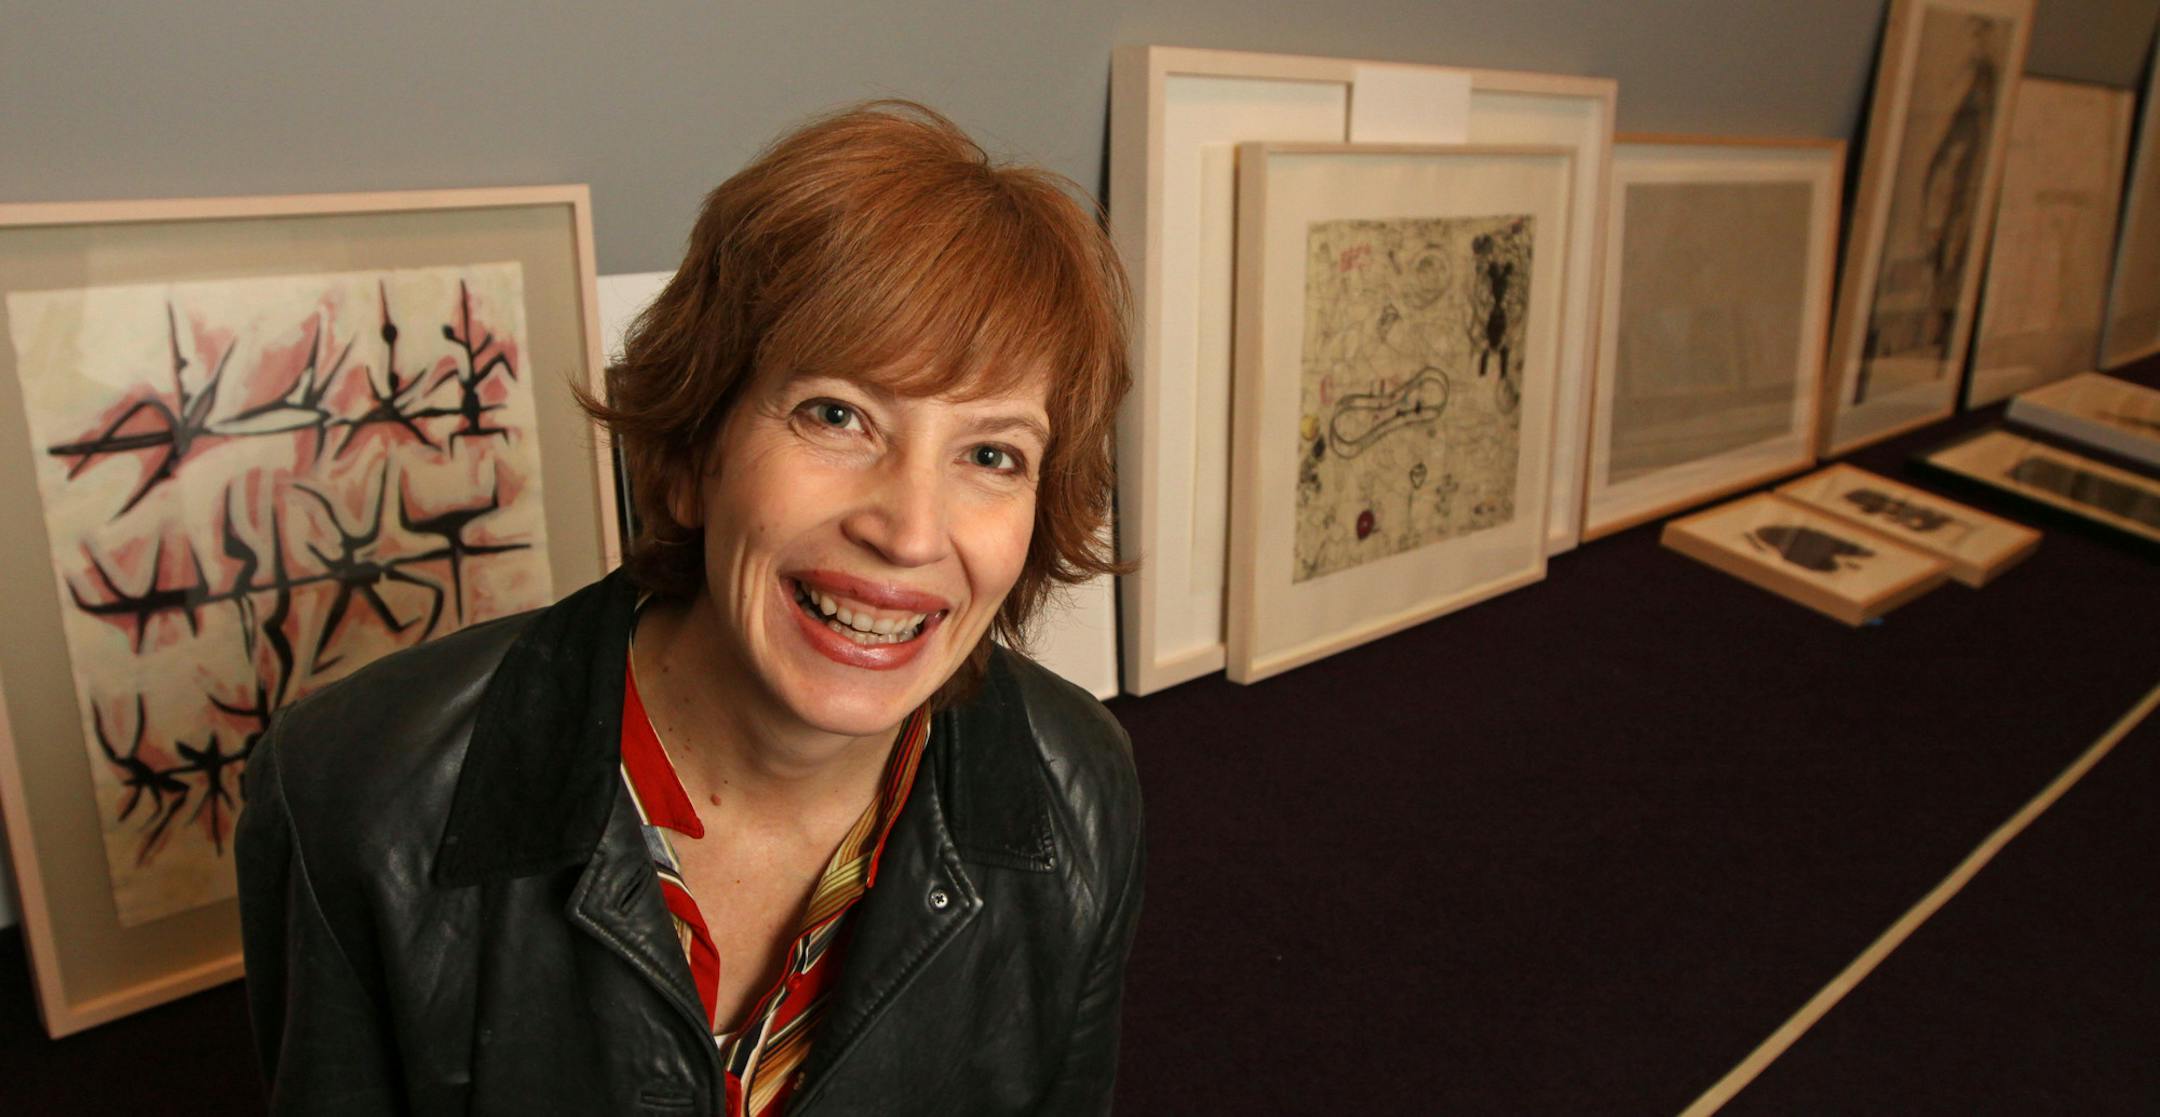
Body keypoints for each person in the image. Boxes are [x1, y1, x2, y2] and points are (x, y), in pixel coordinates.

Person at [236, 101, 1142, 1116]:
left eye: (992, 453)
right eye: (837, 414)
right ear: (688, 459)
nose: (912, 531)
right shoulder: (356, 797)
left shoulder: (1081, 792)